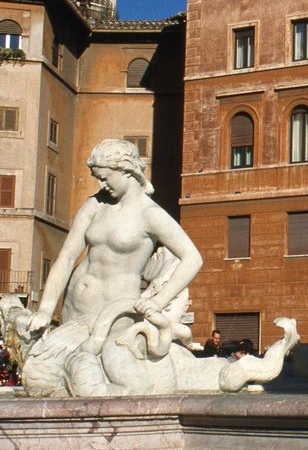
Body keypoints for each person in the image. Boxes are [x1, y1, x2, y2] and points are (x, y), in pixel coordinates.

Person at [23, 139, 203, 393]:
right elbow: (66, 258)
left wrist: (157, 301)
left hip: (112, 316)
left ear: (127, 171)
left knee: (67, 376)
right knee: (47, 377)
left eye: (105, 178)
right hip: (73, 312)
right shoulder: (95, 205)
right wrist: (45, 309)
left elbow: (193, 258)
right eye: (98, 178)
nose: (101, 185)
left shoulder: (149, 214)